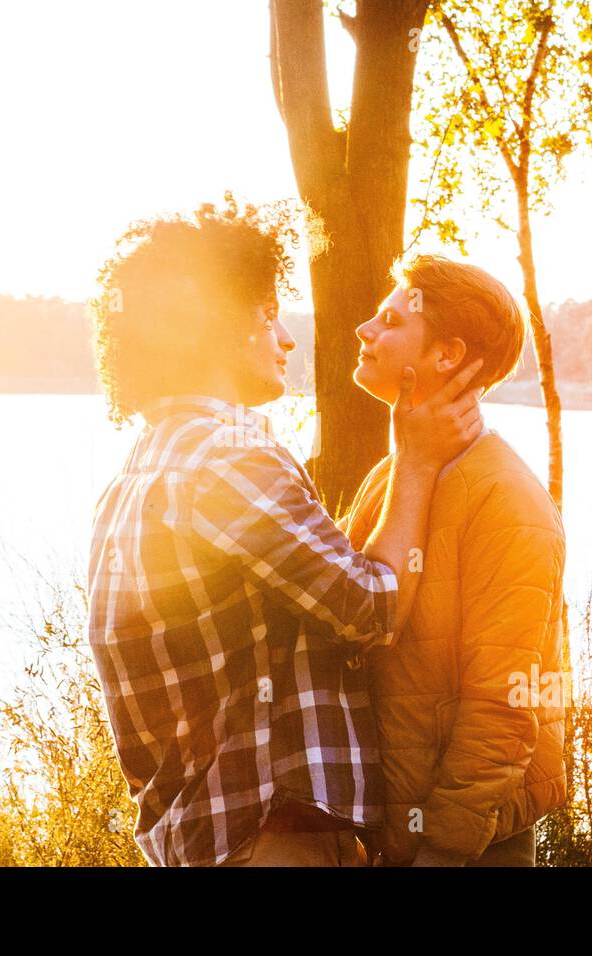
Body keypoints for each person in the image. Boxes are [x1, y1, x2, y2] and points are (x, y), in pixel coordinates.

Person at [85, 200, 484, 866]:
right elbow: (370, 607)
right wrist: (414, 461)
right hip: (271, 841)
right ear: (219, 328)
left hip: (199, 844)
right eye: (269, 316)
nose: (287, 339)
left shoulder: (135, 475)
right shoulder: (229, 457)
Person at [338, 254, 568, 867]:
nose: (365, 330)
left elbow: (507, 703)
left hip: (468, 848)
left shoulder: (506, 499)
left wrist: (441, 850)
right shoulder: (397, 476)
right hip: (396, 839)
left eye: (389, 320)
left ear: (447, 355)